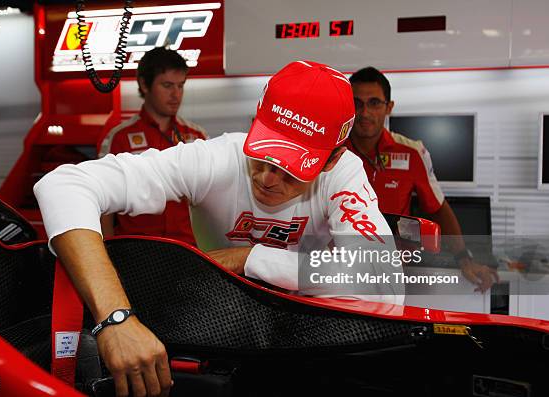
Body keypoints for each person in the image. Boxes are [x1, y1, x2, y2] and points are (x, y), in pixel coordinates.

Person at [35, 60, 402, 397]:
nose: (267, 178)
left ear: (332, 157)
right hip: (215, 330)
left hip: (306, 346)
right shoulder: (216, 157)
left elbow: (384, 283)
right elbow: (63, 185)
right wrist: (115, 319)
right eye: (263, 154)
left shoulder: (344, 173)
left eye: (292, 168)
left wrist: (251, 257)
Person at [345, 66, 498, 293]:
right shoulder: (331, 150)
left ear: (389, 108)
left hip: (393, 270)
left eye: (374, 103)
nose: (365, 112)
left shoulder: (412, 152)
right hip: (340, 269)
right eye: (357, 103)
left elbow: (438, 209)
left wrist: (464, 258)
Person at [98, 47, 207, 246]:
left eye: (181, 86)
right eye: (167, 85)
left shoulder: (196, 136)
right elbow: (104, 205)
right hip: (136, 251)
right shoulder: (119, 137)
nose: (176, 94)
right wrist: (108, 252)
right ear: (144, 84)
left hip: (188, 250)